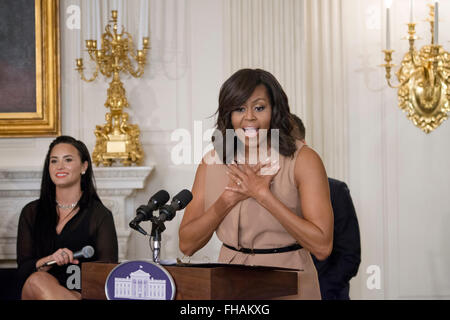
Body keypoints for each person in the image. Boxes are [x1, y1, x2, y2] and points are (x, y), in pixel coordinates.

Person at [178, 69, 334, 299]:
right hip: (229, 282)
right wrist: (227, 200)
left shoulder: (304, 159)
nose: (249, 117)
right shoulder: (211, 162)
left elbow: (322, 246)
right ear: (228, 115)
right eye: (239, 109)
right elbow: (187, 244)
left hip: (290, 281)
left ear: (274, 111)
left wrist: (263, 195)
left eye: (259, 108)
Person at [17, 135, 118, 300]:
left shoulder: (100, 215)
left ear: (84, 166)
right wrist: (49, 260)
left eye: (68, 160)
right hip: (35, 291)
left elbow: (107, 275)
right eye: (54, 161)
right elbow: (22, 271)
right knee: (37, 280)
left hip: (81, 295)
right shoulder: (31, 212)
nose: (60, 167)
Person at [290, 113, 361, 300]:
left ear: (303, 145)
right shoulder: (267, 195)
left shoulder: (336, 191)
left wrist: (318, 290)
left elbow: (349, 256)